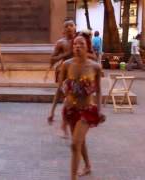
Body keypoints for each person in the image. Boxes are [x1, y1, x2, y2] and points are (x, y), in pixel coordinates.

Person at [50, 33, 105, 180]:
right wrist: (52, 111)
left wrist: (100, 109)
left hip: (87, 111)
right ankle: (87, 166)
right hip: (70, 110)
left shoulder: (95, 67)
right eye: (75, 44)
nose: (77, 47)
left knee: (75, 144)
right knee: (80, 141)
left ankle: (73, 177)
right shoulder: (66, 65)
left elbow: (99, 90)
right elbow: (59, 89)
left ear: (87, 46)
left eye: (81, 44)